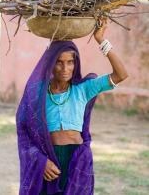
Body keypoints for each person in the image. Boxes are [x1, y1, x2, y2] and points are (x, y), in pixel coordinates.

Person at [16, 25, 128, 195]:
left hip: (77, 160)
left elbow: (121, 74)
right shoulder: (37, 92)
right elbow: (23, 128)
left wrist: (100, 40)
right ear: (50, 63)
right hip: (48, 159)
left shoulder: (83, 89)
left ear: (76, 63)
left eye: (70, 62)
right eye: (59, 62)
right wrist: (40, 161)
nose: (65, 69)